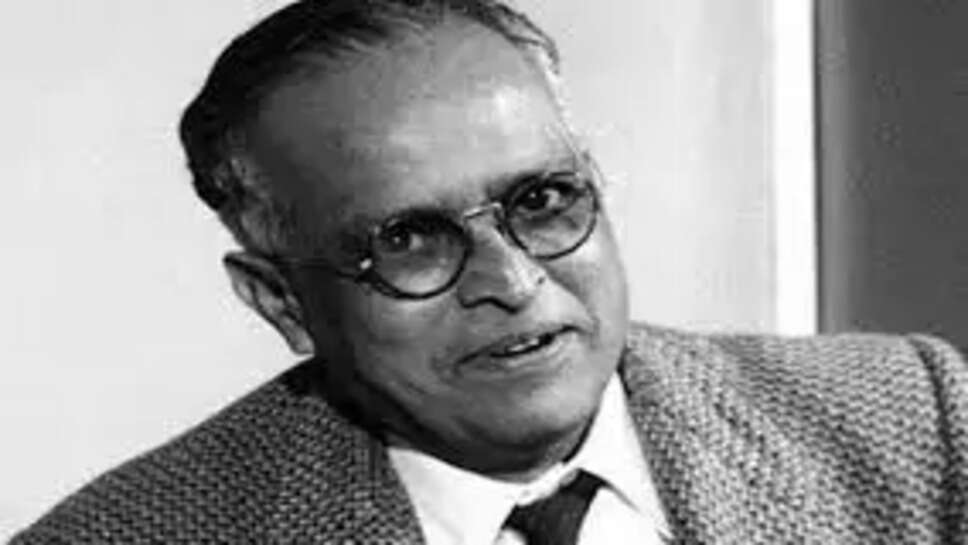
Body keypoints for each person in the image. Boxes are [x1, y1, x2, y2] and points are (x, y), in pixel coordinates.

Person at [12, 1, 968, 543]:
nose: (510, 279)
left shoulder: (912, 420)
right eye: (410, 240)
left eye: (543, 200)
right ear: (282, 300)